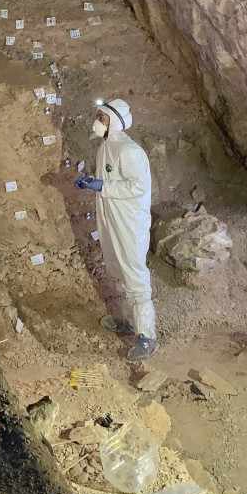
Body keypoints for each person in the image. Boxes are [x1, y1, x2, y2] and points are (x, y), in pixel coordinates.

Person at [75, 99, 158, 361]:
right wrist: (92, 182)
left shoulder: (129, 151)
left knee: (134, 274)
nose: (97, 122)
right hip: (111, 219)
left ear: (115, 122)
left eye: (102, 118)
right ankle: (128, 321)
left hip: (129, 223)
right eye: (97, 117)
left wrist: (103, 187)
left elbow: (138, 187)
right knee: (116, 269)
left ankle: (147, 336)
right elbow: (110, 179)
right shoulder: (105, 148)